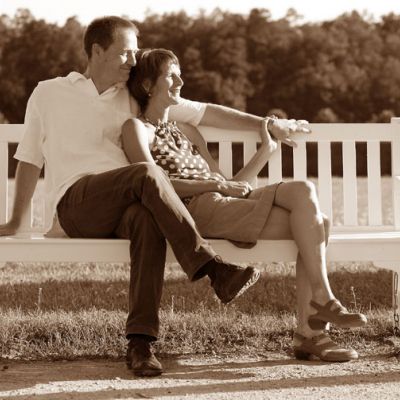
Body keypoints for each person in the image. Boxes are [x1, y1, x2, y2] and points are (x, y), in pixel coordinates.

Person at [0, 16, 308, 377]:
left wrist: (268, 124)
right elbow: (29, 158)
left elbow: (205, 111)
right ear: (97, 50)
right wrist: (16, 221)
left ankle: (141, 343)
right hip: (76, 203)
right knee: (147, 172)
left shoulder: (132, 96)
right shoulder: (49, 93)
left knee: (147, 219)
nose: (133, 61)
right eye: (126, 53)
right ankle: (212, 268)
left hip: (128, 202)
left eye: (135, 54)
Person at [122, 48, 368, 364]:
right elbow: (153, 184)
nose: (181, 82)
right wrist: (216, 186)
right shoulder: (136, 129)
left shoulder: (187, 130)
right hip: (192, 210)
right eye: (171, 76)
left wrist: (266, 151)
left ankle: (322, 302)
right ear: (147, 86)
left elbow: (229, 184)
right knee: (317, 225)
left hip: (221, 201)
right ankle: (312, 332)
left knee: (306, 196)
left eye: (180, 74)